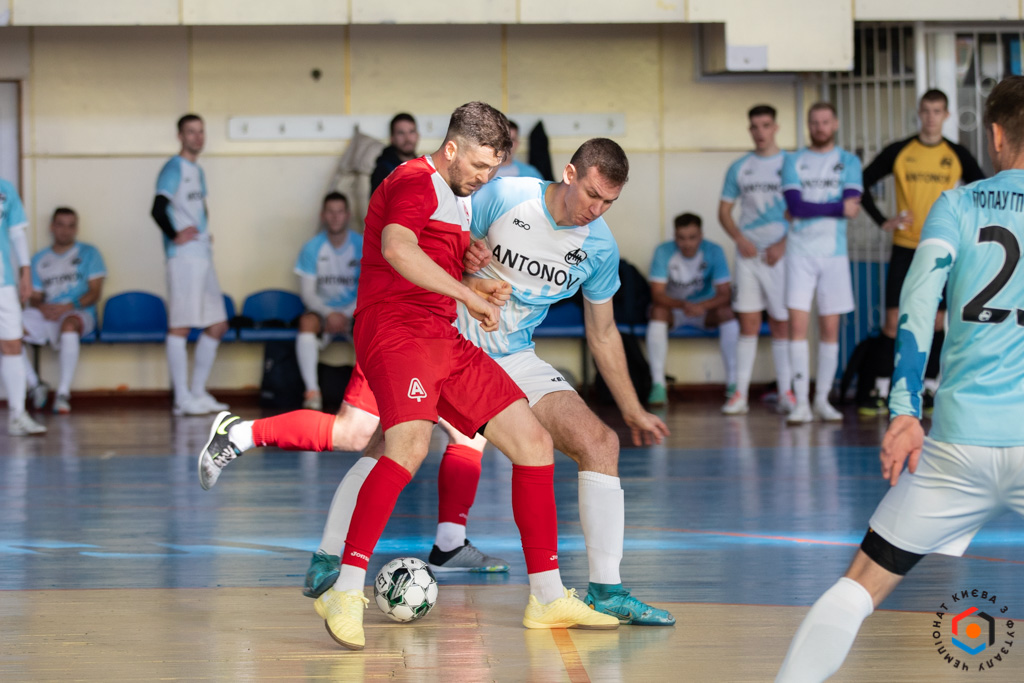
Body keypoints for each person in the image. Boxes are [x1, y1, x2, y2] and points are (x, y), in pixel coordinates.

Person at [201, 134, 672, 635]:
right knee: (368, 437)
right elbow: (429, 248)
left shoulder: (599, 246)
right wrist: (469, 273)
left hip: (509, 354)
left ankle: (592, 587)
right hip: (431, 334)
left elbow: (603, 333)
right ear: (570, 175)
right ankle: (325, 545)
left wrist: (632, 407)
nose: (597, 210)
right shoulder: (500, 195)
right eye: (593, 195)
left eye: (609, 202)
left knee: (594, 442)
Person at [776, 75, 1024, 683]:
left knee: (860, 584)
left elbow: (915, 309)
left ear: (995, 135)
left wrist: (905, 412)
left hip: (957, 446)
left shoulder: (957, 205)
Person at [857, 89, 986, 416]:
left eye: (937, 111)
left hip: (941, 248)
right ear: (919, 113)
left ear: (946, 115)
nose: (931, 117)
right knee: (892, 321)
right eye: (926, 110)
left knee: (938, 321)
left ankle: (929, 387)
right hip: (904, 247)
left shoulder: (956, 153)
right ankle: (881, 388)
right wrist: (883, 220)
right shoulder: (900, 151)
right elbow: (860, 182)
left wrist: (964, 226)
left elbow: (981, 190)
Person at [781, 102, 863, 423]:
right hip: (798, 254)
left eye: (825, 121)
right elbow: (795, 207)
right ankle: (801, 402)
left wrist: (810, 207)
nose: (820, 127)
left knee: (830, 329)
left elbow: (852, 208)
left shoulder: (850, 161)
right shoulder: (793, 160)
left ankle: (822, 400)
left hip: (834, 255)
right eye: (814, 122)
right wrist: (836, 206)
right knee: (797, 328)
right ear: (808, 125)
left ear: (835, 123)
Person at [150, 114, 230, 416]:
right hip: (183, 258)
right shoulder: (173, 168)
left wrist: (203, 234)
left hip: (202, 255)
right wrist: (175, 235)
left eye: (201, 131)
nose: (197, 137)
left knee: (218, 324)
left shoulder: (197, 170)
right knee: (180, 326)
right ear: (180, 136)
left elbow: (198, 209)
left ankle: (197, 392)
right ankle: (181, 399)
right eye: (191, 132)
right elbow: (158, 208)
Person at [719, 104, 794, 415]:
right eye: (755, 126)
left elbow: (800, 210)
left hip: (780, 255)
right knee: (748, 324)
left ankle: (787, 392)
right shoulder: (740, 167)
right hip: (748, 256)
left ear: (775, 127)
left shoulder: (791, 163)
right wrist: (739, 239)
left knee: (781, 323)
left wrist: (783, 243)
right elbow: (724, 211)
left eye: (766, 125)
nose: (760, 132)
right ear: (750, 130)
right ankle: (740, 394)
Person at [646, 213, 738, 407]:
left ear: (701, 235)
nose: (687, 243)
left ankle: (734, 384)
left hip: (705, 310)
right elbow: (657, 294)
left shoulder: (714, 251)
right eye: (681, 238)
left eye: (692, 237)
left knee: (727, 313)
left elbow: (725, 294)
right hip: (675, 309)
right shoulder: (663, 251)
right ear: (675, 236)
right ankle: (658, 385)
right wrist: (683, 305)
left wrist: (701, 306)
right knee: (657, 311)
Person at [22, 208, 106, 414]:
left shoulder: (89, 253)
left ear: (76, 228)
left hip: (79, 311)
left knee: (69, 326)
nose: (65, 230)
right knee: (8, 330)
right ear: (52, 227)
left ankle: (62, 393)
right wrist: (41, 307)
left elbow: (95, 293)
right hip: (49, 312)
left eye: (71, 225)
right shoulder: (40, 258)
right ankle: (35, 385)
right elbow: (35, 297)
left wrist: (68, 307)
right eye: (60, 224)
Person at [294, 192, 362, 411]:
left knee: (373, 325)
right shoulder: (312, 247)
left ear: (347, 215)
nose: (335, 217)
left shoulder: (361, 245)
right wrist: (329, 314)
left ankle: (365, 396)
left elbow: (369, 289)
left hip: (354, 312)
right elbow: (308, 293)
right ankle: (312, 392)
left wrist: (346, 313)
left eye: (339, 212)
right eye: (330, 212)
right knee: (306, 322)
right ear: (323, 215)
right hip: (323, 312)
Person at [0, 178, 46, 435]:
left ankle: (18, 415)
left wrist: (25, 271)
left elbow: (17, 232)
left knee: (12, 344)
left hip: (3, 282)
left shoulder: (5, 189)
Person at [369, 113, 419, 196]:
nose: (407, 138)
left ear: (417, 136)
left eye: (411, 132)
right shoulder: (383, 170)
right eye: (401, 133)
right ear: (392, 138)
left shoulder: (424, 167)